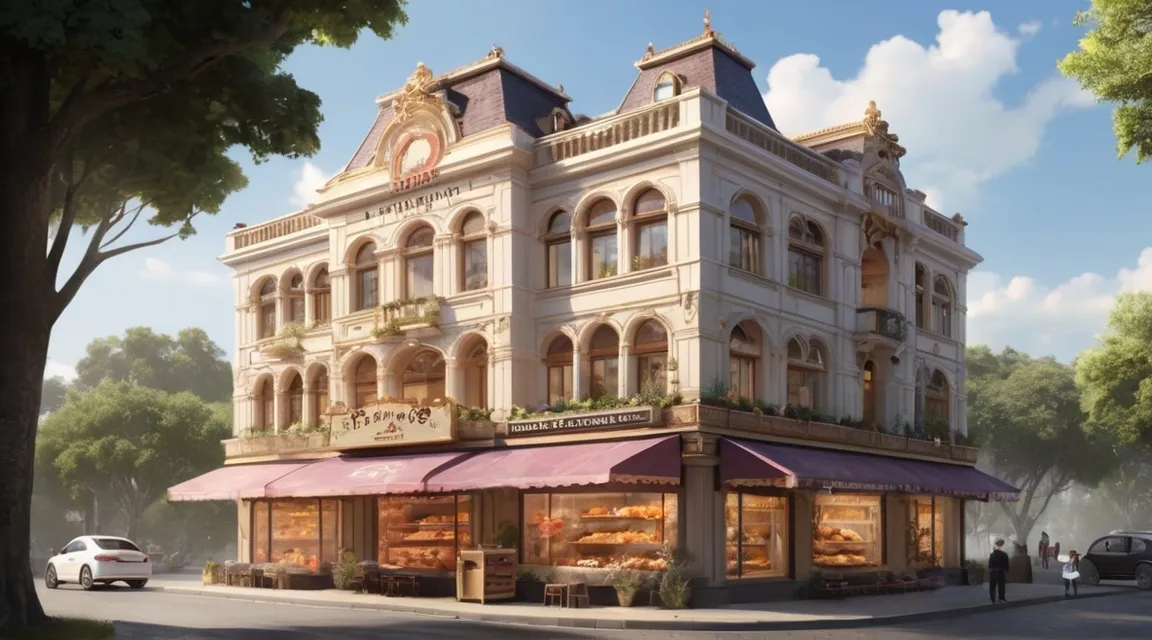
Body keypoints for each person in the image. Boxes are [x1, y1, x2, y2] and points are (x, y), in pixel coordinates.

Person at [988, 538, 1010, 603]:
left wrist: (990, 569)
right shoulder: (1004, 554)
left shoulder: (992, 554)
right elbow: (1006, 563)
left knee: (993, 586)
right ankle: (1001, 598)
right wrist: (1006, 569)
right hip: (1000, 571)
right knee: (1001, 585)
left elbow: (990, 564)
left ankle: (993, 598)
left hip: (993, 571)